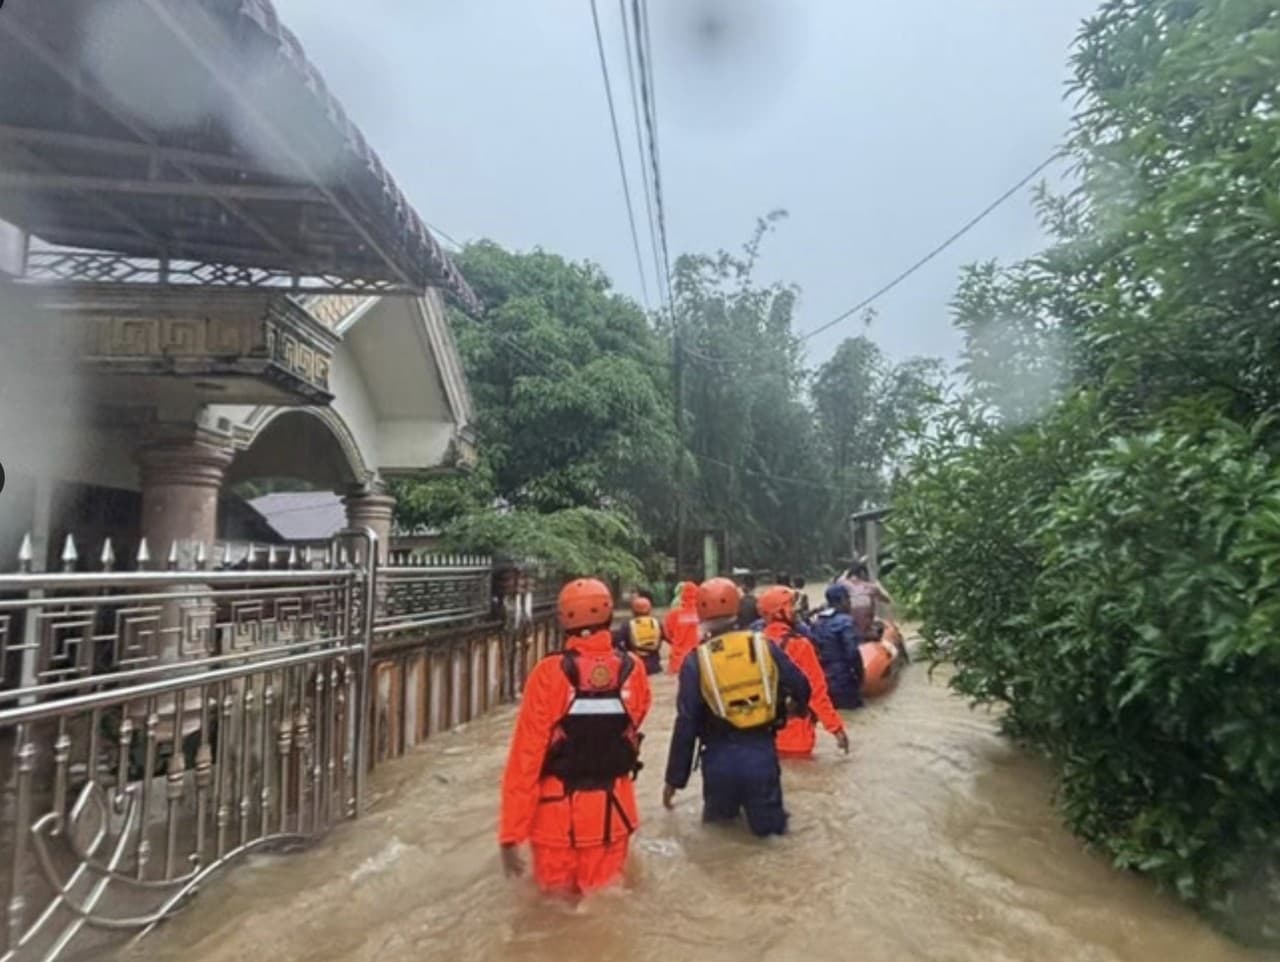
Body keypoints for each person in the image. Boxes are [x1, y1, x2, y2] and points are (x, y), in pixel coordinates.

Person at [499, 578, 652, 896]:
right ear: (610, 615)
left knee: (552, 915)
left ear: (563, 618)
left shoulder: (547, 673)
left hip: (555, 819)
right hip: (613, 815)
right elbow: (632, 723)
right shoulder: (634, 669)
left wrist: (511, 833)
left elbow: (526, 757)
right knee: (603, 908)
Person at [663, 577, 811, 837]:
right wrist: (793, 710)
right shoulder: (764, 645)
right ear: (737, 608)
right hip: (761, 754)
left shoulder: (696, 661)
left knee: (720, 836)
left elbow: (686, 724)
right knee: (773, 838)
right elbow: (801, 686)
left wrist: (674, 780)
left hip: (717, 760)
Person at [758, 585, 848, 758]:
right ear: (780, 612)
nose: (795, 611)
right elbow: (817, 692)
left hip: (760, 739)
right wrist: (836, 729)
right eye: (791, 606)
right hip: (795, 737)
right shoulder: (800, 646)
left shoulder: (752, 644)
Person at [810, 582, 864, 710]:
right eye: (848, 599)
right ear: (841, 600)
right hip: (843, 681)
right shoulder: (845, 621)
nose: (850, 603)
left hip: (822, 683)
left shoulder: (817, 622)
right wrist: (860, 676)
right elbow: (853, 653)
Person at [614, 590, 665, 674]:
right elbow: (669, 638)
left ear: (633, 610)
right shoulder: (657, 623)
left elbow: (616, 642)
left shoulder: (627, 625)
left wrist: (625, 652)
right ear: (649, 609)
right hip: (655, 667)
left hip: (635, 667)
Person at [844, 561, 894, 638]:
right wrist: (877, 583)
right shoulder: (871, 587)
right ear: (863, 574)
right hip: (866, 632)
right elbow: (888, 599)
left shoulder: (841, 586)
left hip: (847, 631)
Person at [664, 580, 701, 675]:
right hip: (698, 660)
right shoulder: (703, 613)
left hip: (677, 661)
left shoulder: (673, 615)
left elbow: (668, 634)